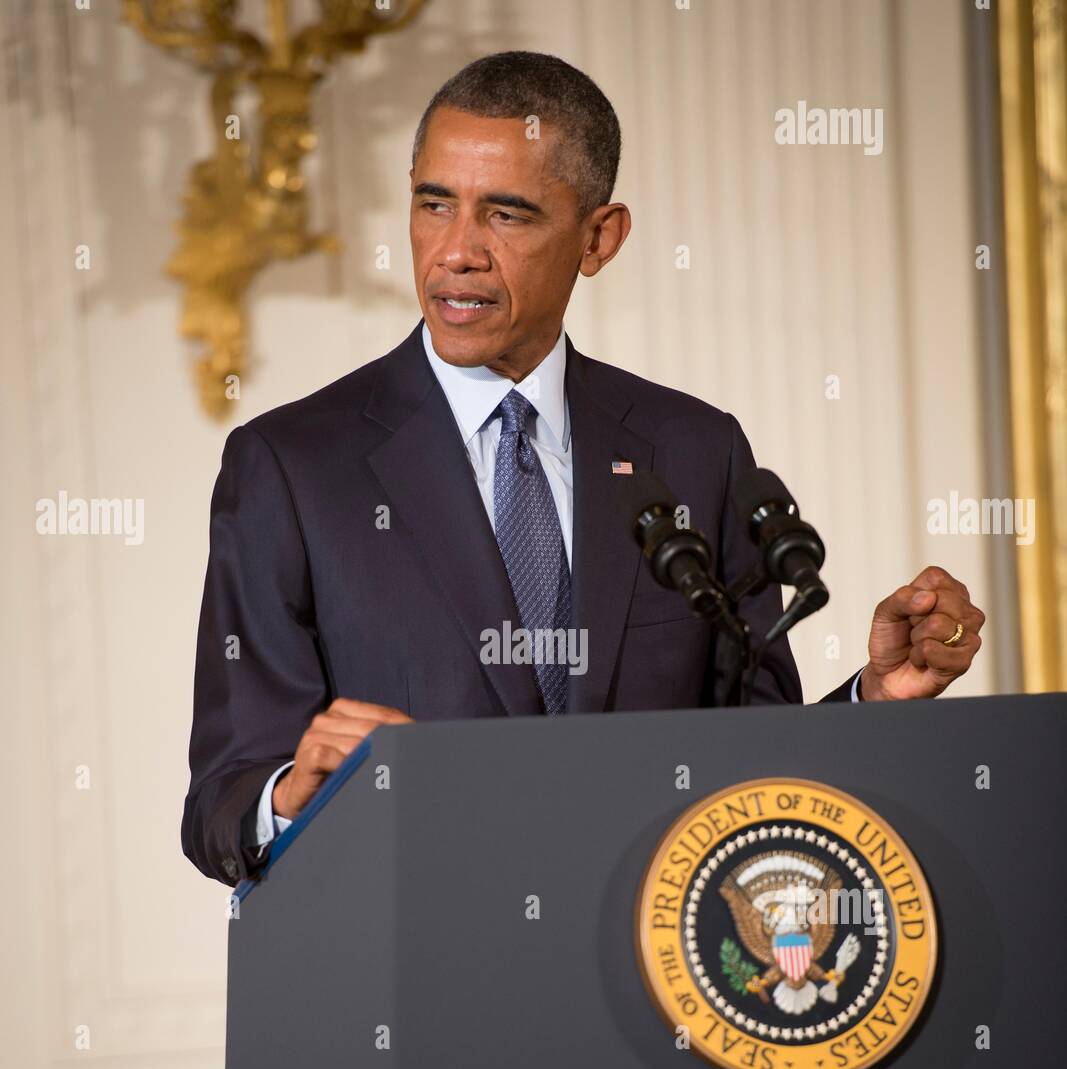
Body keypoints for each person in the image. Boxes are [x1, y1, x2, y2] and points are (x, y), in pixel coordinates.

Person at [181, 51, 984, 888]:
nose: (457, 252)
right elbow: (220, 803)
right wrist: (291, 794)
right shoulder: (294, 466)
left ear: (598, 237)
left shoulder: (692, 451)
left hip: (652, 988)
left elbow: (754, 772)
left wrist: (873, 703)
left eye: (507, 215)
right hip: (418, 985)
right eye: (433, 204)